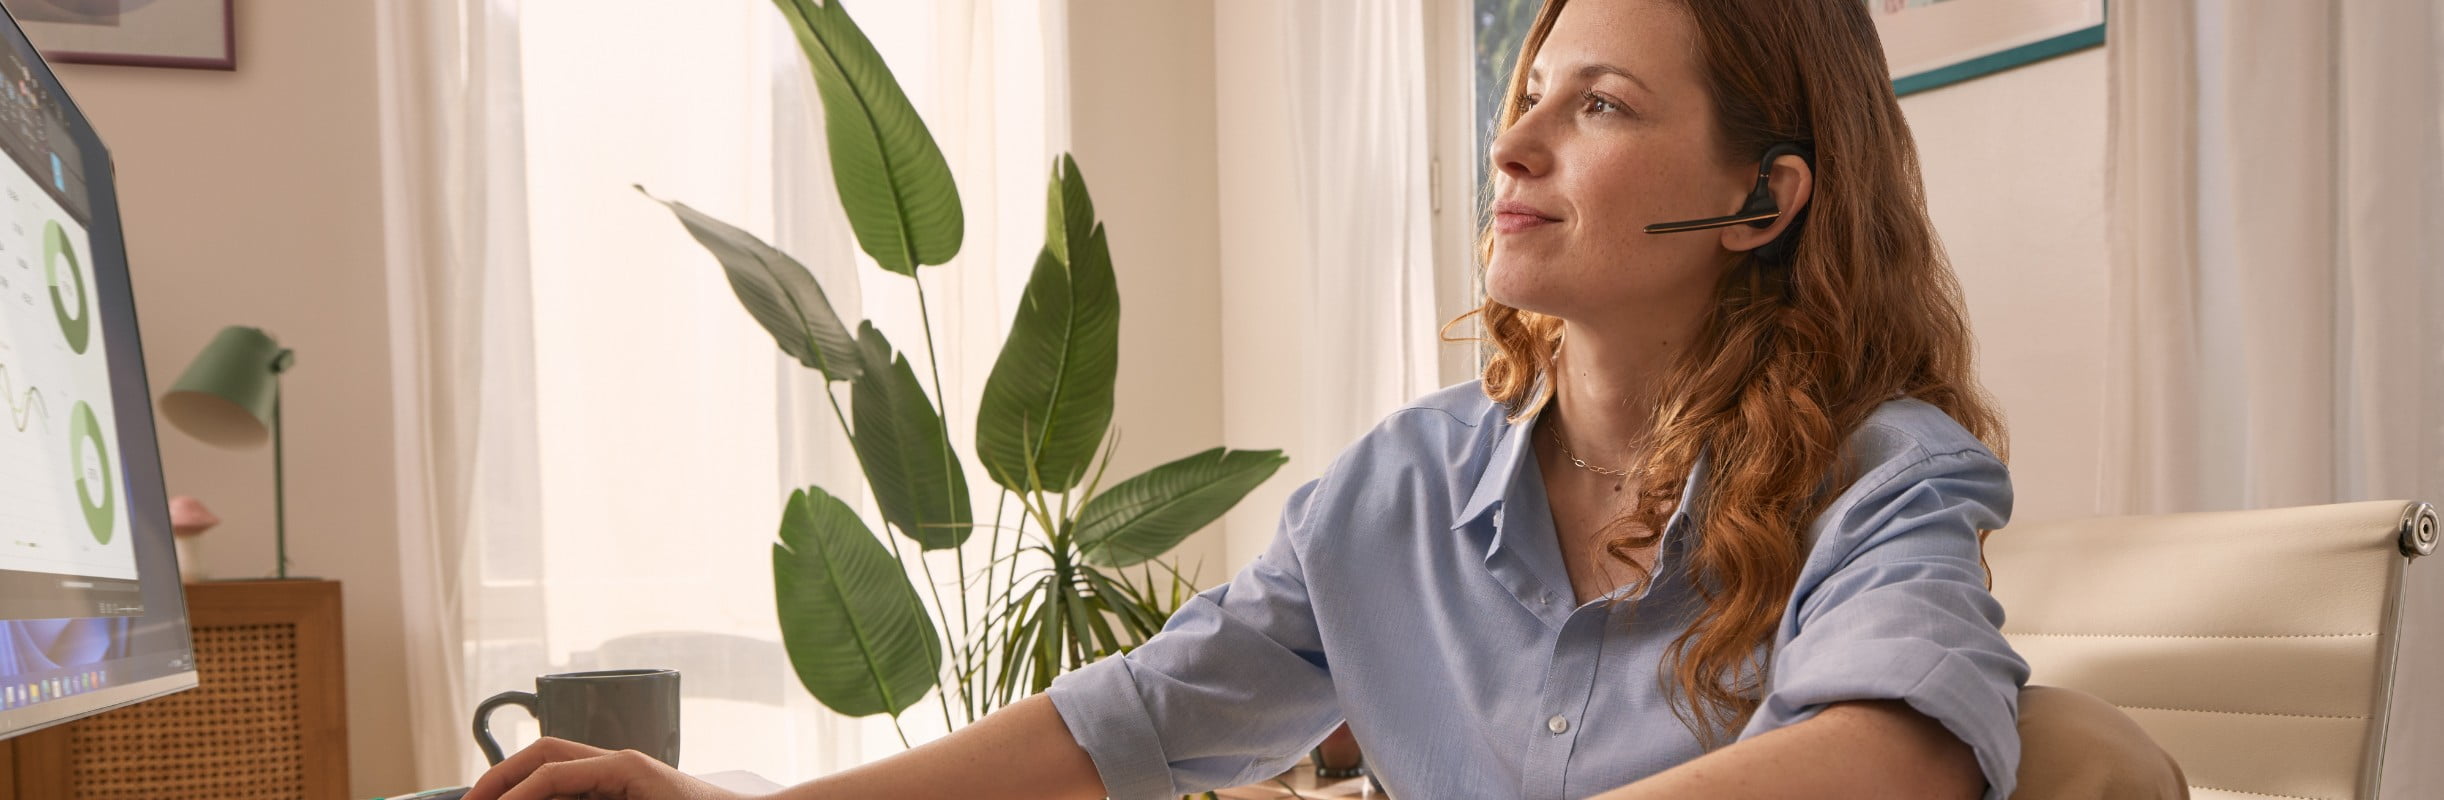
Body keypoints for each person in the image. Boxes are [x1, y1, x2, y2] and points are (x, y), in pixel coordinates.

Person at [465, 0, 2180, 797]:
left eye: (1595, 106)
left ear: (1762, 198)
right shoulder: (1396, 495)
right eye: (1524, 90)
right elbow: (1113, 730)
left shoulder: (1890, 475)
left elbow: (1888, 762)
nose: (1512, 142)